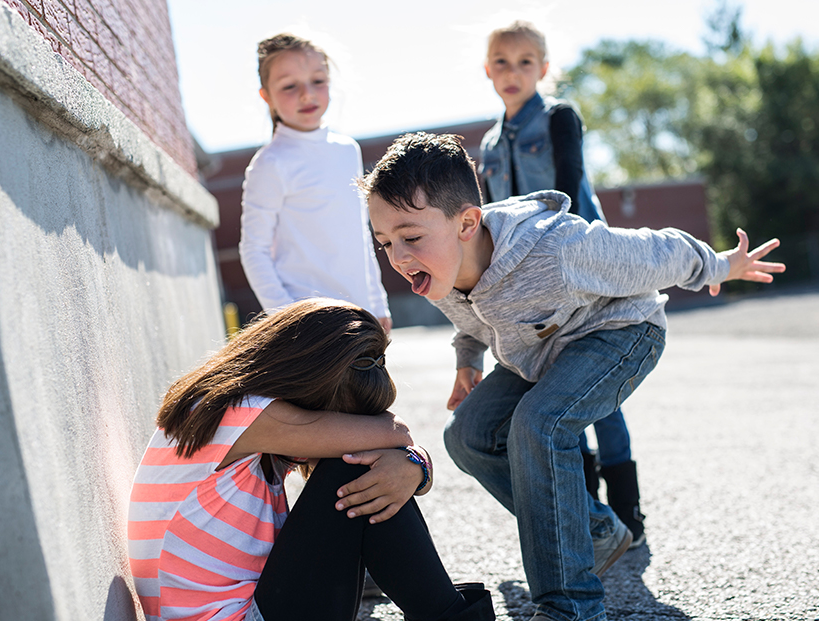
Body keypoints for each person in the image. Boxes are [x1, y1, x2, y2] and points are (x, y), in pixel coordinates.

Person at [360, 132, 785, 621]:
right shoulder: (438, 268)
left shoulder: (556, 249)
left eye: (410, 237)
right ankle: (595, 531)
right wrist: (467, 362)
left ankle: (572, 606)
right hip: (543, 351)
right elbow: (473, 320)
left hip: (621, 333)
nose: (398, 256)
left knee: (539, 424)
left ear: (466, 223)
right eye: (385, 242)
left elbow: (653, 252)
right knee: (467, 435)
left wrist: (719, 264)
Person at [127, 298, 495, 621]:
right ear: (309, 381)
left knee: (366, 467)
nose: (338, 428)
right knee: (353, 466)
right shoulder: (241, 414)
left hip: (250, 607)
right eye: (339, 417)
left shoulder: (241, 417)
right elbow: (395, 435)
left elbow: (398, 445)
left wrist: (415, 465)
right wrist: (411, 459)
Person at [478, 20, 644, 545]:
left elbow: (569, 188)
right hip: (529, 287)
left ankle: (628, 511)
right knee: (555, 393)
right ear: (488, 70)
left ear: (544, 69)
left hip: (582, 272)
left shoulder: (558, 118)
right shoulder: (487, 143)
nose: (513, 71)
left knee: (600, 396)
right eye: (502, 62)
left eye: (526, 61)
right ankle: (591, 516)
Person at [239, 33, 391, 332]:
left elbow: (360, 235)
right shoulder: (270, 163)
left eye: (318, 81)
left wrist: (378, 304)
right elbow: (253, 250)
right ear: (266, 96)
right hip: (309, 327)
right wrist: (288, 317)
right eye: (289, 86)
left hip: (361, 317)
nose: (307, 94)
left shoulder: (348, 150)